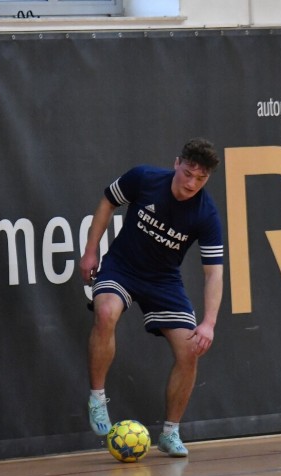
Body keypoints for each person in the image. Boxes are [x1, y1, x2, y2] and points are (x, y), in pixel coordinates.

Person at [79, 138, 224, 458]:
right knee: (105, 313)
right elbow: (107, 201)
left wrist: (209, 323)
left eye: (200, 179)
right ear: (176, 163)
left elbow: (214, 272)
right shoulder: (144, 178)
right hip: (122, 268)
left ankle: (170, 432)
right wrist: (91, 251)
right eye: (188, 173)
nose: (191, 183)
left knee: (190, 350)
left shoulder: (206, 214)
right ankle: (97, 399)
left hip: (163, 281)